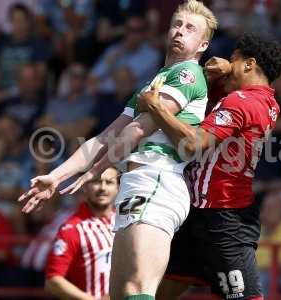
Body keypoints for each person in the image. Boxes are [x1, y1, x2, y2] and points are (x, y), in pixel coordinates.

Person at [18, 1, 218, 299]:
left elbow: (137, 131)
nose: (179, 31)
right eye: (176, 24)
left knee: (138, 290)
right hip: (135, 184)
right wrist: (56, 177)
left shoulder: (188, 74)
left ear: (203, 44)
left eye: (190, 28)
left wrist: (95, 172)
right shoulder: (155, 80)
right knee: (122, 294)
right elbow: (104, 137)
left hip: (158, 180)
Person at [137, 33, 281, 300]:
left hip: (224, 217)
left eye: (234, 59)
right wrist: (229, 68)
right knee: (164, 288)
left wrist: (157, 107)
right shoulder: (269, 103)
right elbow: (223, 92)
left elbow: (194, 144)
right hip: (201, 211)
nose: (227, 66)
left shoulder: (241, 102)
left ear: (249, 64)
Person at [45, 168, 119, 300]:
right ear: (84, 186)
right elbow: (52, 282)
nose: (102, 188)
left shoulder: (127, 223)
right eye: (96, 182)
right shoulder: (71, 229)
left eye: (109, 182)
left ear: (118, 187)